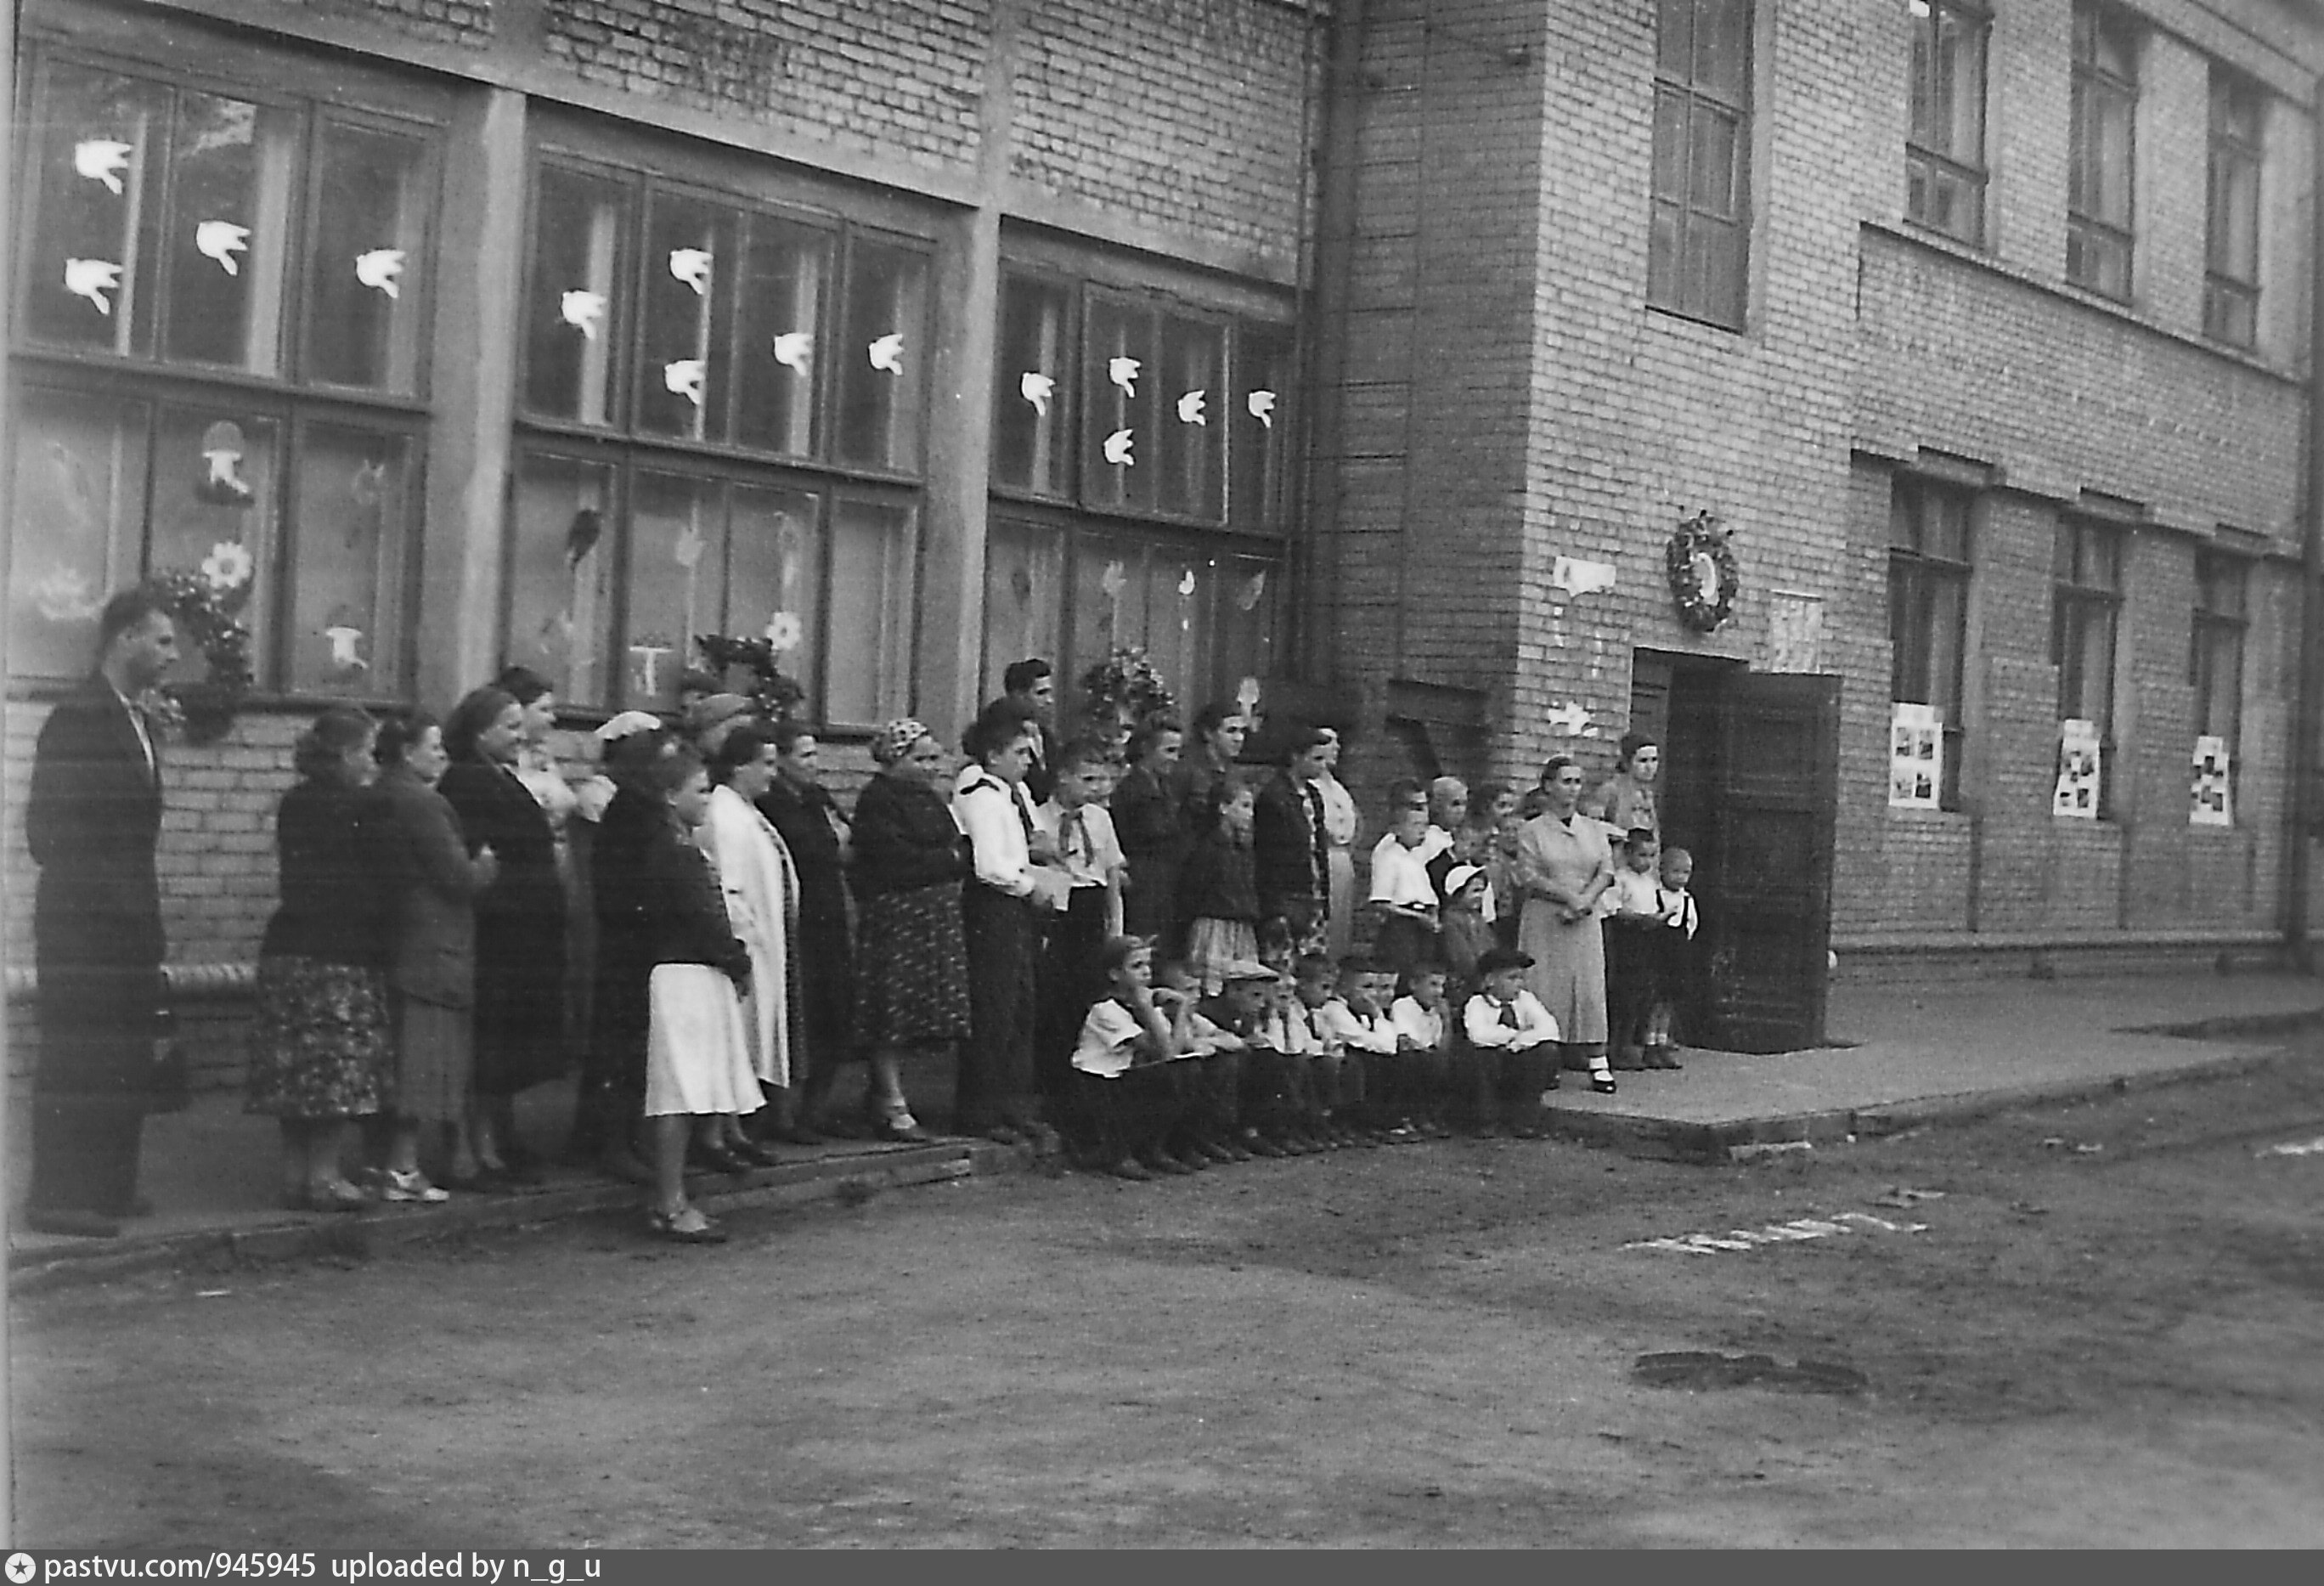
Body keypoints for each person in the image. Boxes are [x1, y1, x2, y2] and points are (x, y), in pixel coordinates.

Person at [22, 588, 178, 1237]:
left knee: (123, 1056)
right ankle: (57, 1196)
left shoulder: (134, 719)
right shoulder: (79, 717)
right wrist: (108, 899)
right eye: (163, 640)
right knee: (78, 1057)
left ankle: (111, 1186)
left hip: (129, 921)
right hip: (85, 925)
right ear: (126, 639)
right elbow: (47, 831)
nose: (173, 654)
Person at [245, 708, 398, 1211]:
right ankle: (326, 1178)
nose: (373, 764)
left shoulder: (295, 802)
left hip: (288, 948)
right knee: (335, 1071)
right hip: (341, 952)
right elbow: (379, 879)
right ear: (349, 753)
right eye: (369, 753)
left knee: (293, 1072)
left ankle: (295, 1177)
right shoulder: (362, 807)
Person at [437, 685, 570, 1182]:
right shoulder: (468, 781)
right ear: (479, 731)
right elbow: (478, 856)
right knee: (490, 1041)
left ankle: (502, 1135)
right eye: (509, 727)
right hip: (499, 929)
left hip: (524, 928)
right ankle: (480, 1146)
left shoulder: (499, 776)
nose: (520, 735)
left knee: (508, 1042)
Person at [373, 714, 499, 1200]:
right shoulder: (424, 803)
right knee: (423, 1060)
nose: (443, 754)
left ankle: (388, 1164)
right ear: (407, 751)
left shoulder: (378, 792)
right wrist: (486, 864)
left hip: (396, 938)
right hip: (433, 945)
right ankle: (403, 1168)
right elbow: (458, 877)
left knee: (402, 1056)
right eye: (434, 746)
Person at [639, 748, 761, 1244]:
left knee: (685, 1092)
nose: (707, 799)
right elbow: (703, 920)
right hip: (685, 975)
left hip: (692, 973)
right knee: (678, 1091)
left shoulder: (679, 847)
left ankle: (670, 1199)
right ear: (671, 795)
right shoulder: (677, 854)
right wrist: (737, 958)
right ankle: (670, 1202)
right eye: (699, 790)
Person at [953, 700, 1072, 1149]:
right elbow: (990, 866)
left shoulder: (1012, 791)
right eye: (1020, 753)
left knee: (1021, 1006)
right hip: (993, 906)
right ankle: (978, 1110)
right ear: (993, 755)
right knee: (995, 1008)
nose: (1028, 762)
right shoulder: (980, 794)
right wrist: (1030, 888)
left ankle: (1009, 1104)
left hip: (1018, 903)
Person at [849, 719, 969, 1143]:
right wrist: (943, 860)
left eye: (935, 758)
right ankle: (891, 1101)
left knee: (917, 1013)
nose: (933, 767)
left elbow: (960, 848)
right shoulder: (878, 800)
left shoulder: (927, 798)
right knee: (891, 1012)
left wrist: (944, 858)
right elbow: (896, 861)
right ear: (896, 759)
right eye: (923, 759)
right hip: (897, 917)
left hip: (931, 917)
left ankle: (882, 1095)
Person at [497, 666, 613, 1086]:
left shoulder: (544, 761)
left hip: (559, 881)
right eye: (542, 710)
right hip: (522, 885)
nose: (551, 720)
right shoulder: (506, 769)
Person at [578, 713, 674, 1182]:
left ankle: (628, 1137)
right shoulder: (631, 812)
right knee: (621, 1044)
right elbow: (621, 884)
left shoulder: (650, 806)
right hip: (630, 946)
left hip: (646, 945)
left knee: (637, 1047)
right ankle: (612, 1142)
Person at [703, 724, 804, 1157]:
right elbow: (729, 887)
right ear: (739, 766)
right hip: (745, 945)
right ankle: (720, 1135)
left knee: (749, 1038)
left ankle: (736, 1130)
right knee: (734, 1037)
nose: (772, 773)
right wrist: (740, 944)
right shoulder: (723, 815)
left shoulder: (747, 809)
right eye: (765, 764)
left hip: (768, 941)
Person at [753, 721, 856, 1141]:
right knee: (799, 1015)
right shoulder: (775, 804)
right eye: (805, 755)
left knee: (834, 1013)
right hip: (799, 919)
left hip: (830, 914)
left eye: (816, 754)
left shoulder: (816, 800)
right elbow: (815, 848)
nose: (815, 764)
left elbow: (844, 841)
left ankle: (816, 1109)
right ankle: (784, 1113)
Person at [1034, 737, 1127, 1126]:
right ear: (1062, 779)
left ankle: (1085, 1087)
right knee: (1055, 1000)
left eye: (1101, 780)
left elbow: (1111, 877)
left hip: (1091, 908)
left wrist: (1116, 928)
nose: (1095, 789)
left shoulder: (1099, 820)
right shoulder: (1038, 818)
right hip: (1056, 911)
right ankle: (1049, 1089)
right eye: (1087, 779)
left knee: (1090, 999)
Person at [1514, 754, 1618, 1096]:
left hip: (1585, 919)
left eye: (1577, 782)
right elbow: (1528, 875)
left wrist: (1586, 900)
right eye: (1565, 782)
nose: (1572, 790)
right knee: (1545, 985)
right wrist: (1567, 897)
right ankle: (1547, 1059)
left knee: (1588, 988)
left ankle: (1598, 1062)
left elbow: (1606, 869)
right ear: (1547, 786)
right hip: (1547, 917)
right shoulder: (1532, 830)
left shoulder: (1592, 828)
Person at [1070, 937, 1192, 1181]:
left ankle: (1152, 1148)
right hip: (1098, 1082)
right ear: (1115, 974)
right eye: (1136, 966)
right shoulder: (1105, 1010)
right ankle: (1118, 1155)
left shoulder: (1143, 1002)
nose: (1146, 972)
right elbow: (1165, 1053)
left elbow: (1176, 1052)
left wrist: (1182, 1010)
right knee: (1164, 1075)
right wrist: (1148, 1011)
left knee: (1185, 1071)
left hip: (1126, 1075)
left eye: (1148, 965)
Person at [1462, 945, 1561, 1137]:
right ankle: (1486, 1120)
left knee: (1548, 1050)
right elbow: (1478, 1035)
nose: (1519, 984)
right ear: (1490, 980)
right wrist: (1514, 1035)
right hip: (1492, 1067)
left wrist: (1520, 1041)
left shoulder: (1526, 1000)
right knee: (1481, 1055)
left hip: (1519, 1064)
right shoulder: (1477, 1003)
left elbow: (1549, 1029)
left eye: (1521, 978)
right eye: (1512, 978)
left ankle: (1525, 1119)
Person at [1254, 724, 1335, 957]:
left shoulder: (1314, 795)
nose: (1322, 766)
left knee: (1313, 964)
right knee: (1283, 960)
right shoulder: (1274, 797)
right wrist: (1273, 907)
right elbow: (1268, 856)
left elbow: (1318, 848)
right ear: (1295, 757)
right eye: (1316, 758)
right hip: (1286, 895)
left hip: (1313, 891)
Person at [1112, 715, 1191, 954]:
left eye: (1178, 752)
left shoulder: (1166, 787)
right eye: (1169, 751)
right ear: (1147, 748)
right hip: (1142, 884)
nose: (1174, 759)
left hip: (1165, 883)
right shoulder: (1129, 790)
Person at [1181, 774, 1262, 995]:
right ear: (1224, 807)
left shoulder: (1243, 849)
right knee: (1212, 985)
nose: (1250, 814)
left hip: (1241, 925)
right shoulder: (1208, 848)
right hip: (1215, 925)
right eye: (1244, 806)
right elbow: (1194, 891)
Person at [1603, 827, 1665, 1070]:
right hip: (1627, 939)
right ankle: (1615, 1048)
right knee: (1623, 995)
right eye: (1642, 855)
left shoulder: (1650, 882)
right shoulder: (1620, 879)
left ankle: (1632, 1045)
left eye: (1651, 856)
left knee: (1641, 994)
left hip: (1646, 939)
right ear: (1628, 853)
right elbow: (1614, 908)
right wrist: (1638, 918)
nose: (1647, 862)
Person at [1368, 803, 1441, 978]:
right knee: (1404, 974)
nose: (1422, 831)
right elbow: (1382, 903)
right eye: (1416, 825)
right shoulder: (1388, 858)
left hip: (1424, 927)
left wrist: (1432, 917)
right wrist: (1418, 917)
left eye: (1425, 825)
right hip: (1402, 927)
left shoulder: (1417, 859)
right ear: (1397, 829)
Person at [1643, 844, 1699, 1070]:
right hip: (1658, 955)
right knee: (1654, 1001)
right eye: (1675, 872)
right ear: (1662, 871)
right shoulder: (1656, 895)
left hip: (1677, 956)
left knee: (1669, 1001)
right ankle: (1649, 1044)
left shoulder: (1687, 900)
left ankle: (1663, 1042)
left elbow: (1692, 925)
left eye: (1685, 873)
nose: (1681, 878)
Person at [1389, 962, 1458, 1138]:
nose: (1439, 992)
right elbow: (1407, 1040)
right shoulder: (1403, 1006)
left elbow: (1443, 1047)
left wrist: (1446, 1020)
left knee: (1443, 1063)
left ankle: (1431, 1117)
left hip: (1430, 1057)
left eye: (1442, 986)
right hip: (1407, 1056)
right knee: (1416, 1061)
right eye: (1433, 985)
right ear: (1414, 985)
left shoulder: (1436, 1012)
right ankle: (1408, 1117)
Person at [1311, 726, 1363, 958]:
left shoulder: (1339, 788)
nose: (1336, 747)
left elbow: (1356, 825)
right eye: (1329, 742)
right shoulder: (1312, 787)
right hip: (1322, 858)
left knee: (1342, 921)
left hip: (1342, 859)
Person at [1179, 701, 1247, 838]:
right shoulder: (1188, 770)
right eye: (1231, 731)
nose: (1239, 738)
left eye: (1242, 731)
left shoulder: (1233, 772)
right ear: (1208, 734)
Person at [1583, 732, 1662, 849]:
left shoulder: (1650, 793)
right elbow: (1591, 826)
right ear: (1627, 762)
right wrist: (1623, 835)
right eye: (1643, 761)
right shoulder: (1611, 789)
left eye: (1654, 760)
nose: (1649, 767)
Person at [1001, 657, 1059, 805]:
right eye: (1041, 693)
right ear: (1018, 696)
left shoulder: (1048, 738)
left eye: (1050, 693)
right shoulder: (1004, 739)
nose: (1049, 700)